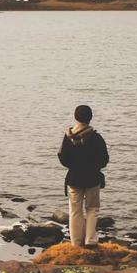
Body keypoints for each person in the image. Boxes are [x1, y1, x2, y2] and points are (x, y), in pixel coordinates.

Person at [58, 104, 109, 247]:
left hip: (74, 177)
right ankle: (91, 240)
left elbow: (62, 157)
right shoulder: (96, 137)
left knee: (75, 211)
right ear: (90, 118)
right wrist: (94, 167)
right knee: (92, 209)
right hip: (92, 178)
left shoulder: (68, 136)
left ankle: (76, 242)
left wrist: (73, 166)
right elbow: (104, 159)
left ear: (76, 117)